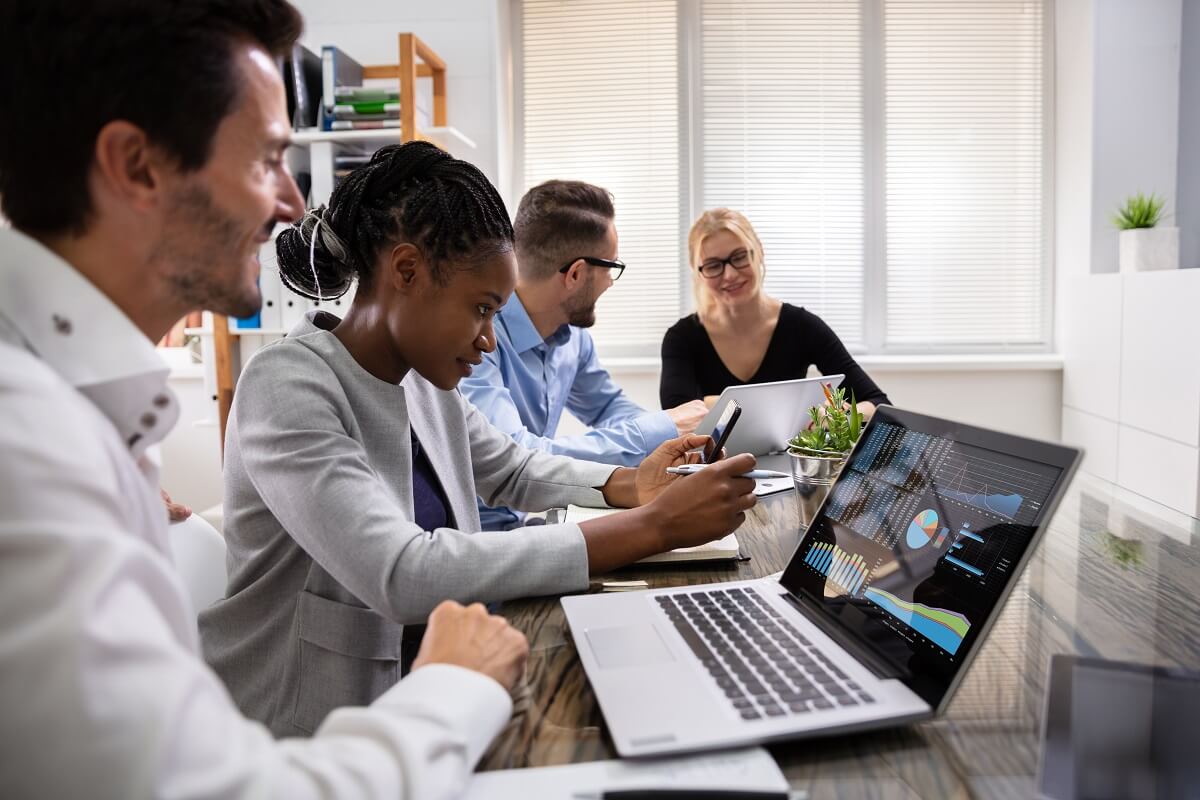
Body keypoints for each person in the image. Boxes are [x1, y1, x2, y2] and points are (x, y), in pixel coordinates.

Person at [0, 3, 532, 797]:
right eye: (266, 161)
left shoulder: (82, 416)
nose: (290, 204)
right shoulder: (28, 443)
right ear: (137, 165)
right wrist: (459, 684)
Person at [199, 142, 758, 737]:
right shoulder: (286, 384)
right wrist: (656, 526)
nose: (491, 340)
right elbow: (402, 571)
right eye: (481, 309)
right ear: (407, 271)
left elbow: (514, 470)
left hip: (428, 698)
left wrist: (630, 486)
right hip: (298, 741)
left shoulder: (422, 379)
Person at [459, 180, 708, 529]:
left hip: (532, 520)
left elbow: (606, 407)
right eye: (610, 268)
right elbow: (518, 456)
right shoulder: (476, 340)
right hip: (472, 532)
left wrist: (674, 441)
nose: (609, 281)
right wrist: (659, 428)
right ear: (575, 274)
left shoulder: (572, 337)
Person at [660, 208, 889, 417]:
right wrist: (799, 407)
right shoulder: (681, 338)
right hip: (713, 462)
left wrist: (838, 416)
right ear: (697, 271)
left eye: (739, 257)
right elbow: (677, 415)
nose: (729, 274)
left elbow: (877, 403)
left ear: (759, 251)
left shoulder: (802, 326)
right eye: (713, 265)